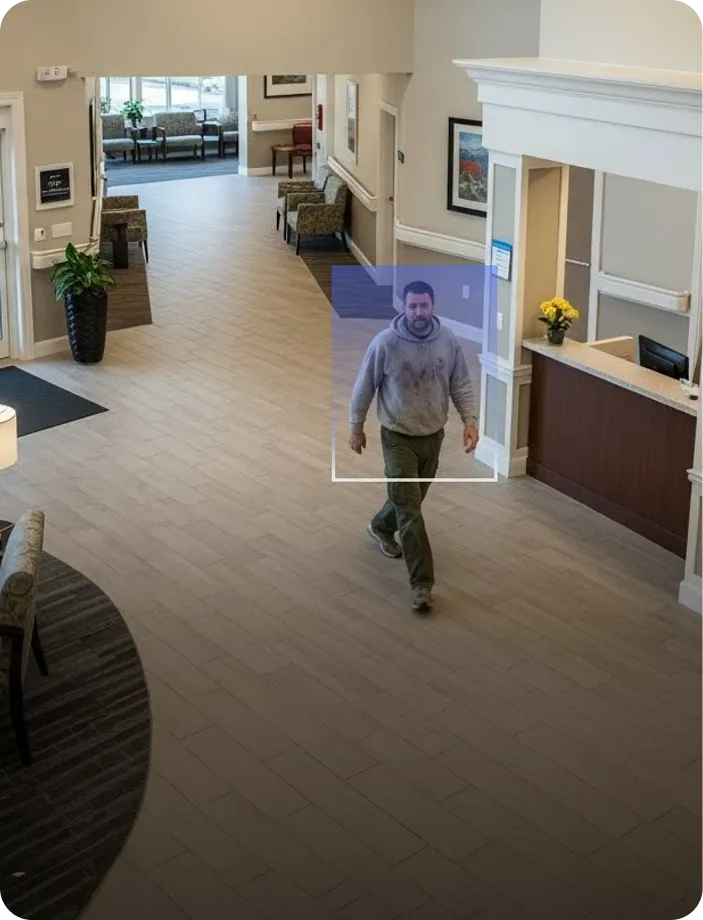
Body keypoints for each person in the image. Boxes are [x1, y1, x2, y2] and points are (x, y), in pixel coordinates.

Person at [348, 279, 479, 613]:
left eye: (424, 305)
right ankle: (422, 585)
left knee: (411, 498)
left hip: (433, 435)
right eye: (412, 306)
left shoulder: (447, 340)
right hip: (397, 436)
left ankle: (379, 525)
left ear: (433, 305)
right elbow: (364, 387)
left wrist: (469, 421)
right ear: (403, 307)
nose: (418, 312)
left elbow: (460, 383)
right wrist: (356, 427)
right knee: (410, 510)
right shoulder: (386, 343)